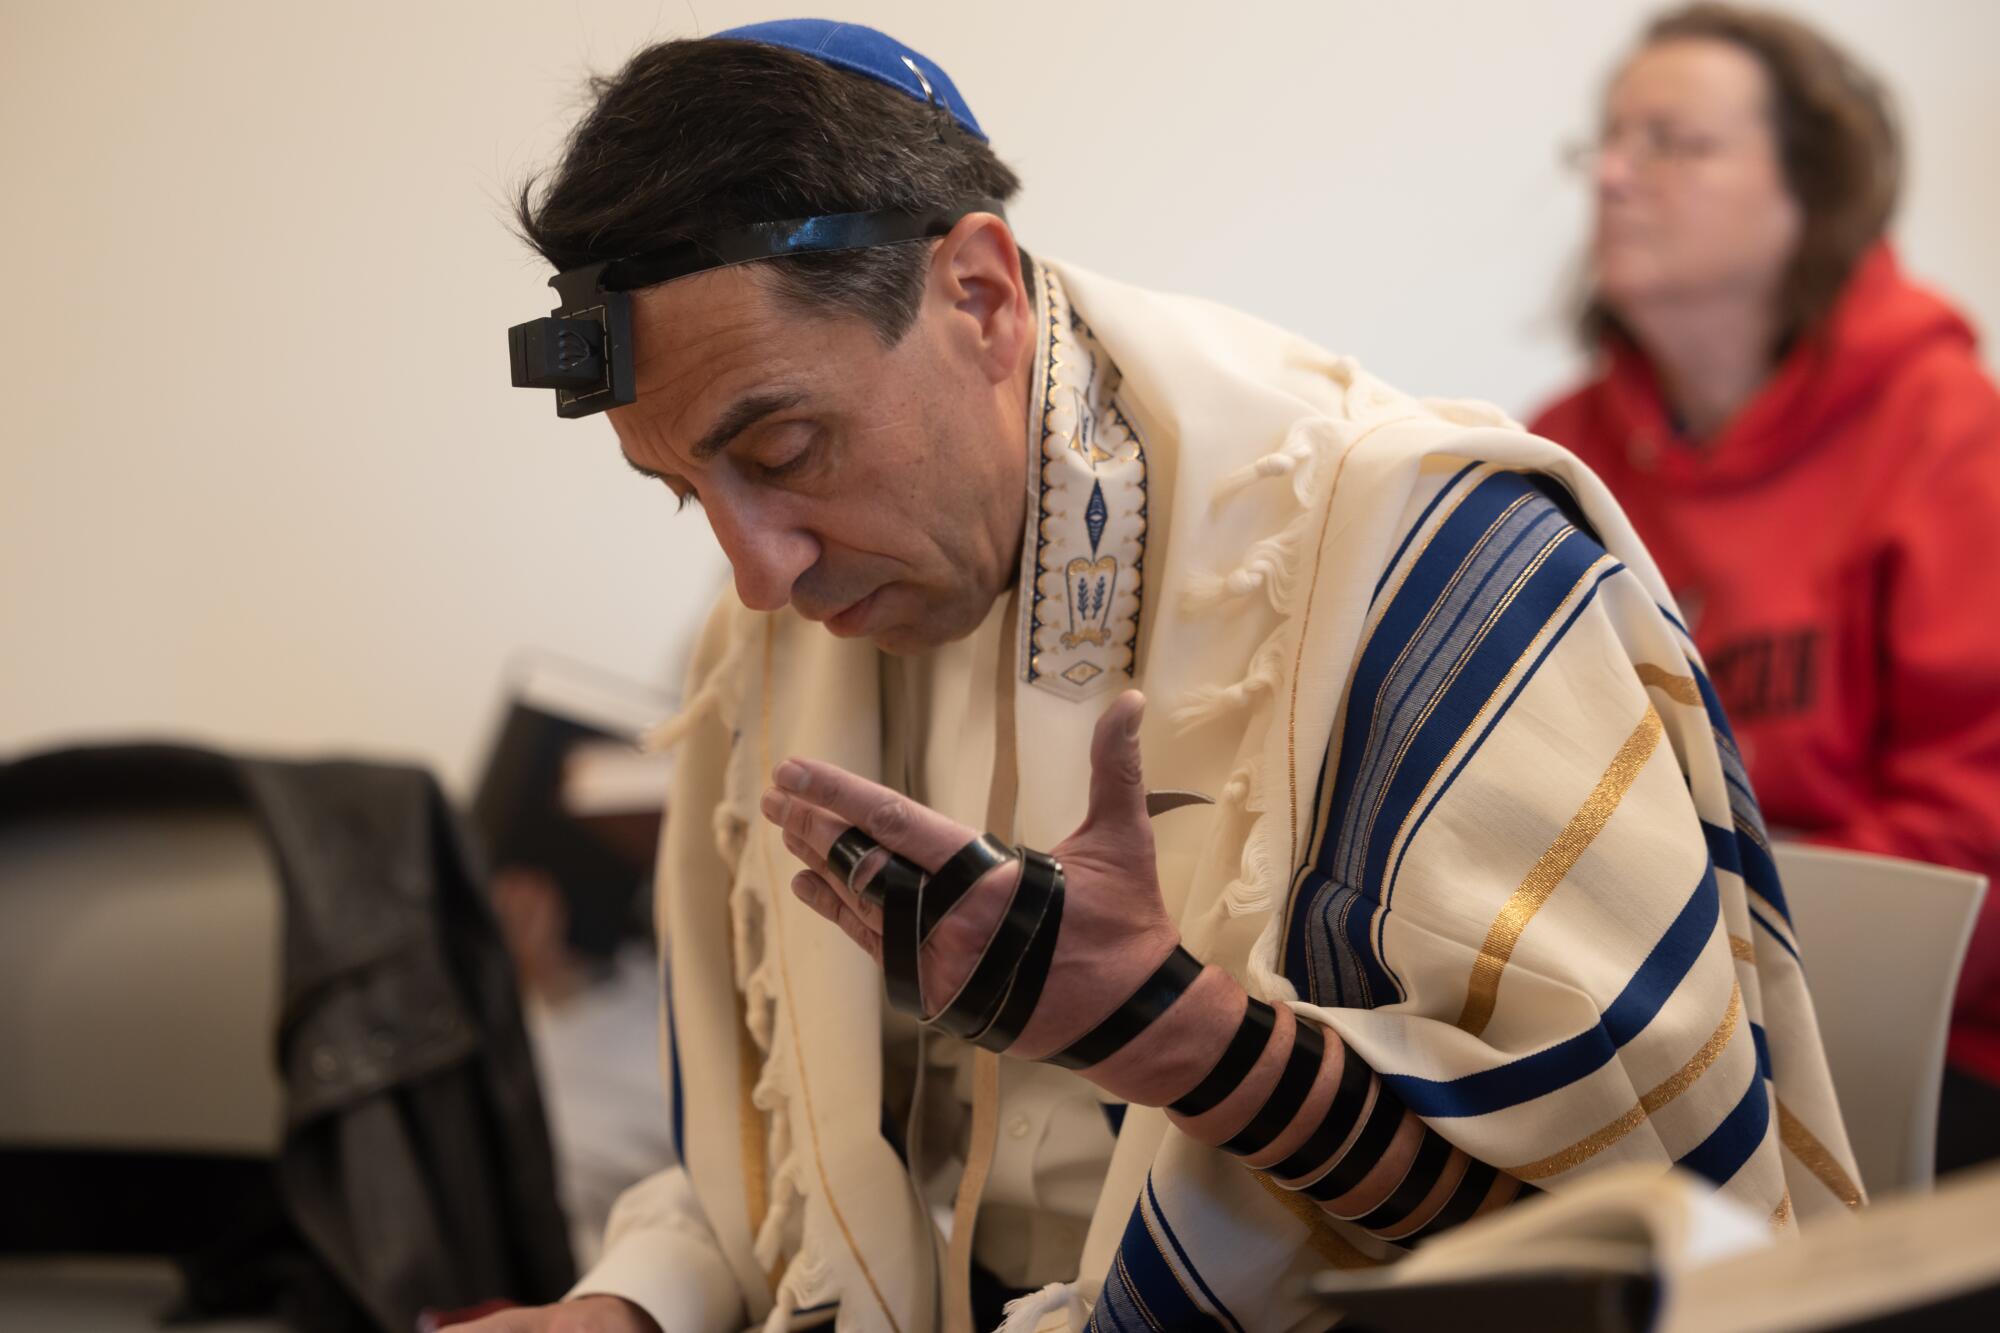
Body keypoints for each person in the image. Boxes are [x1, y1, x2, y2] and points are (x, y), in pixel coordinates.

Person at [474, 19, 1857, 1333]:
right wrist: (632, 1302)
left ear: (979, 294)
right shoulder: (776, 639)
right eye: (682, 493)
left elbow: (1604, 1233)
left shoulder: (1416, 566)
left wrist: (1169, 1029)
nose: (759, 572)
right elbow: (785, 1158)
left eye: (781, 453)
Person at [1529, 2, 2000, 1175]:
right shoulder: (1555, 452)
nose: (1614, 180)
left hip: (1922, 1050)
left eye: (1673, 144)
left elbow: (1974, 839)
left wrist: (1701, 952)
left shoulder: (1946, 433)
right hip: (1634, 1035)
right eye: (1607, 141)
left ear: (1811, 192)